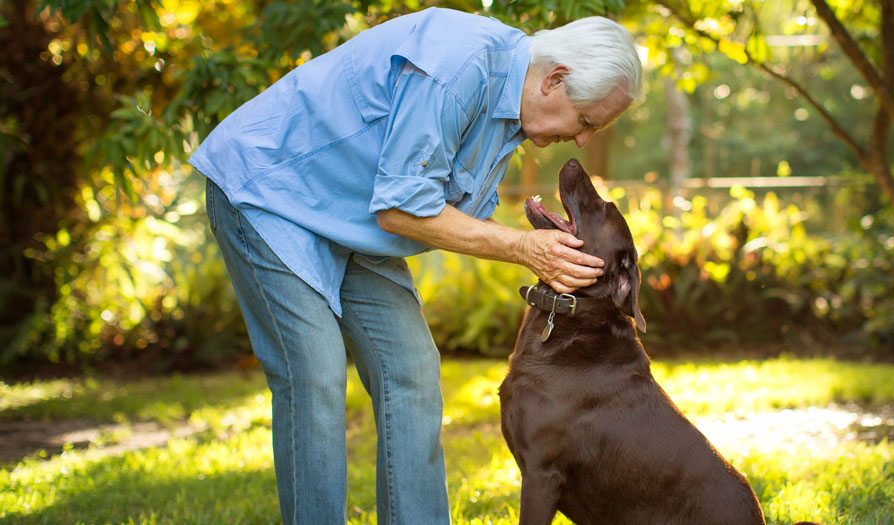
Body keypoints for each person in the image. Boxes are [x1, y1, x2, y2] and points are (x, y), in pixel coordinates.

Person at [188, 7, 642, 524]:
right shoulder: (459, 68)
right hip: (271, 192)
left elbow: (430, 207)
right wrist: (522, 248)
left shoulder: (511, 111)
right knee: (313, 376)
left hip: (352, 217)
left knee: (411, 370)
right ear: (555, 79)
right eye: (586, 121)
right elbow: (402, 209)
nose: (584, 140)